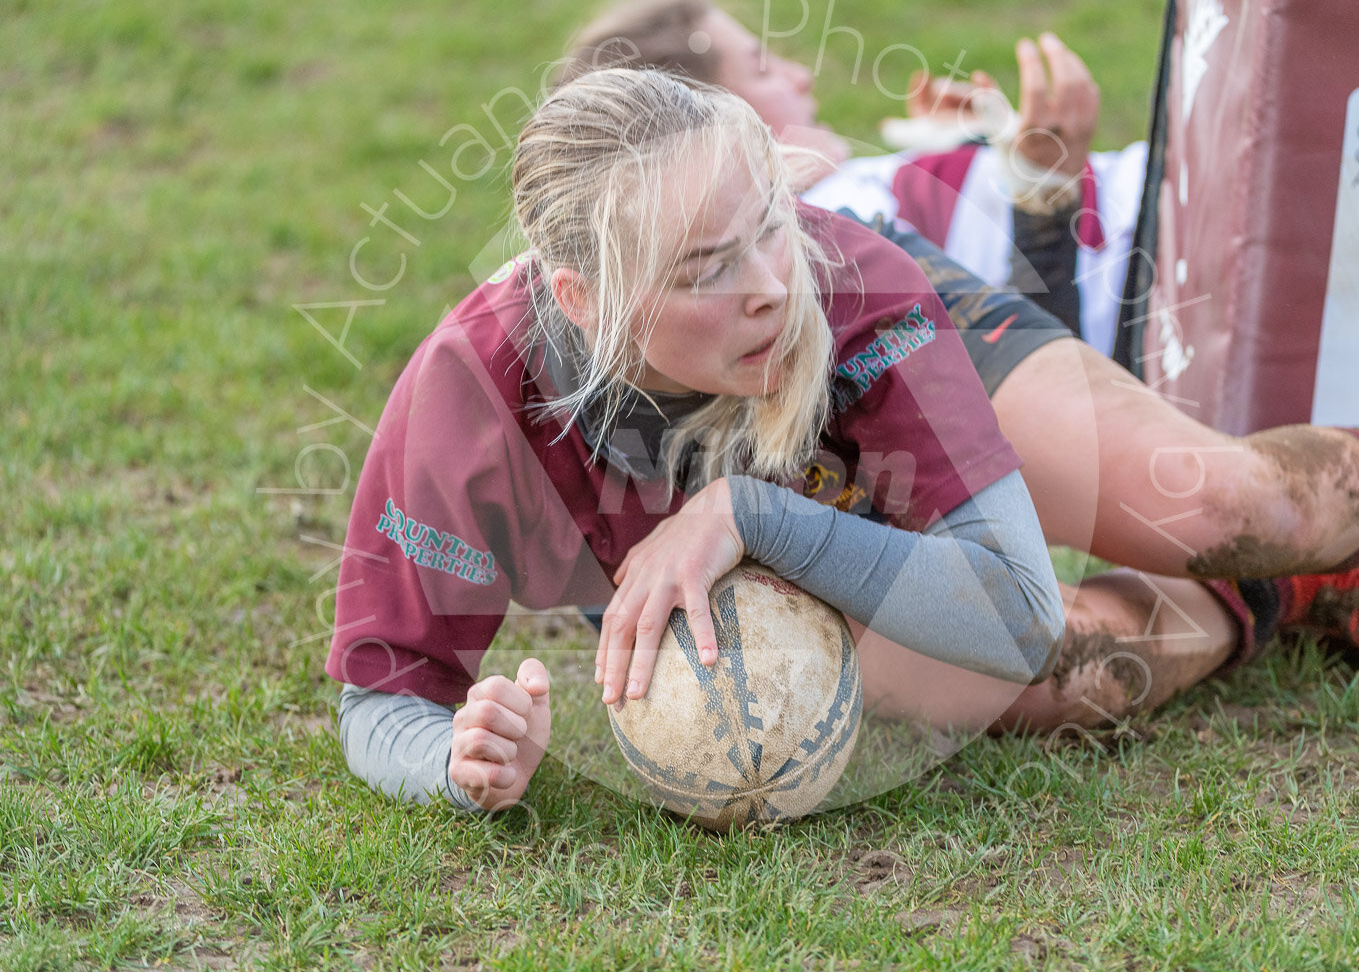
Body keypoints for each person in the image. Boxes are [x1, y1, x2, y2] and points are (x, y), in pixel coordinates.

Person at [545, 0, 1359, 736]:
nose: (796, 72)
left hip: (1039, 348)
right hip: (1077, 343)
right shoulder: (579, 378)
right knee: (1050, 683)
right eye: (762, 63)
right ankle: (1288, 591)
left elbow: (1007, 389)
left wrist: (1044, 198)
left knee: (1224, 508)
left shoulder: (856, 218)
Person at [330, 68, 1070, 812]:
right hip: (807, 556)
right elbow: (383, 693)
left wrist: (752, 514)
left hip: (937, 318)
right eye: (706, 269)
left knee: (1183, 522)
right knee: (1088, 678)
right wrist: (458, 762)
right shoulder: (475, 382)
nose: (769, 290)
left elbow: (1024, 618)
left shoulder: (851, 291)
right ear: (582, 300)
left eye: (768, 227)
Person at [556, 0, 1146, 354]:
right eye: (762, 71)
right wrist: (1046, 198)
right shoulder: (816, 241)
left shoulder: (827, 200)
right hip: (1160, 279)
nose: (801, 76)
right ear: (709, 132)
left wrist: (961, 147)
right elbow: (1044, 374)